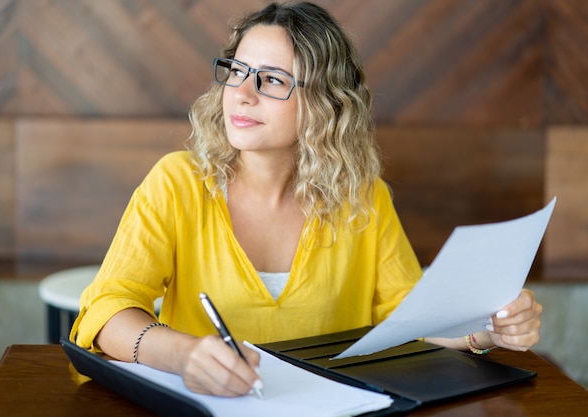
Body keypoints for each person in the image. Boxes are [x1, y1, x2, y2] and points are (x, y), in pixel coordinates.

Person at [70, 1, 543, 399]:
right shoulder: (176, 182)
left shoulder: (364, 198)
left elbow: (409, 318)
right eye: (238, 71)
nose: (243, 93)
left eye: (273, 80)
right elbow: (105, 311)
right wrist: (184, 354)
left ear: (325, 103)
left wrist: (484, 332)